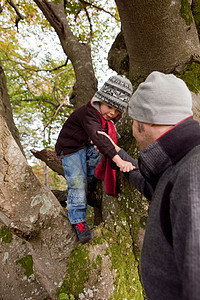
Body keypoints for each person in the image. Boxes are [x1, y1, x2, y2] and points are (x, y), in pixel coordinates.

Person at [97, 71, 200, 299]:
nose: (132, 129)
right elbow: (154, 188)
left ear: (148, 120)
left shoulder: (194, 175)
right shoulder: (180, 165)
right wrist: (118, 154)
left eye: (133, 120)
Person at [55, 75, 134, 244]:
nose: (112, 113)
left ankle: (89, 183)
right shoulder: (89, 113)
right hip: (70, 149)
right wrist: (119, 160)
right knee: (77, 182)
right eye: (109, 107)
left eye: (117, 111)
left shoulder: (107, 120)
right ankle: (78, 221)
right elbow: (100, 138)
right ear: (100, 100)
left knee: (97, 159)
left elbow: (107, 139)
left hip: (86, 146)